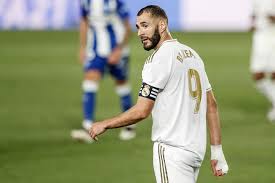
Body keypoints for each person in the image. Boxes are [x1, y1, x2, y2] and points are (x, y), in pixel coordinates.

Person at [89, 5, 229, 183]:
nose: (140, 33)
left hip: (172, 151)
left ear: (162, 25)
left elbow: (142, 110)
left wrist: (105, 124)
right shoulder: (193, 55)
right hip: (195, 152)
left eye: (145, 25)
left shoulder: (159, 59)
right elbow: (212, 105)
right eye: (138, 27)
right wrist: (217, 151)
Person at [71, 0, 136, 143]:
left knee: (121, 83)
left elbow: (127, 27)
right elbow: (84, 21)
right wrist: (82, 47)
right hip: (96, 49)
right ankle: (88, 127)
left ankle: (130, 126)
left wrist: (119, 50)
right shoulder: (86, 2)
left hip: (117, 49)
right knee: (89, 80)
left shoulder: (115, 2)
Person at [250, 0, 275, 122]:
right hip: (260, 37)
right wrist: (254, 23)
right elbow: (254, 13)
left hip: (272, 36)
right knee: (258, 74)